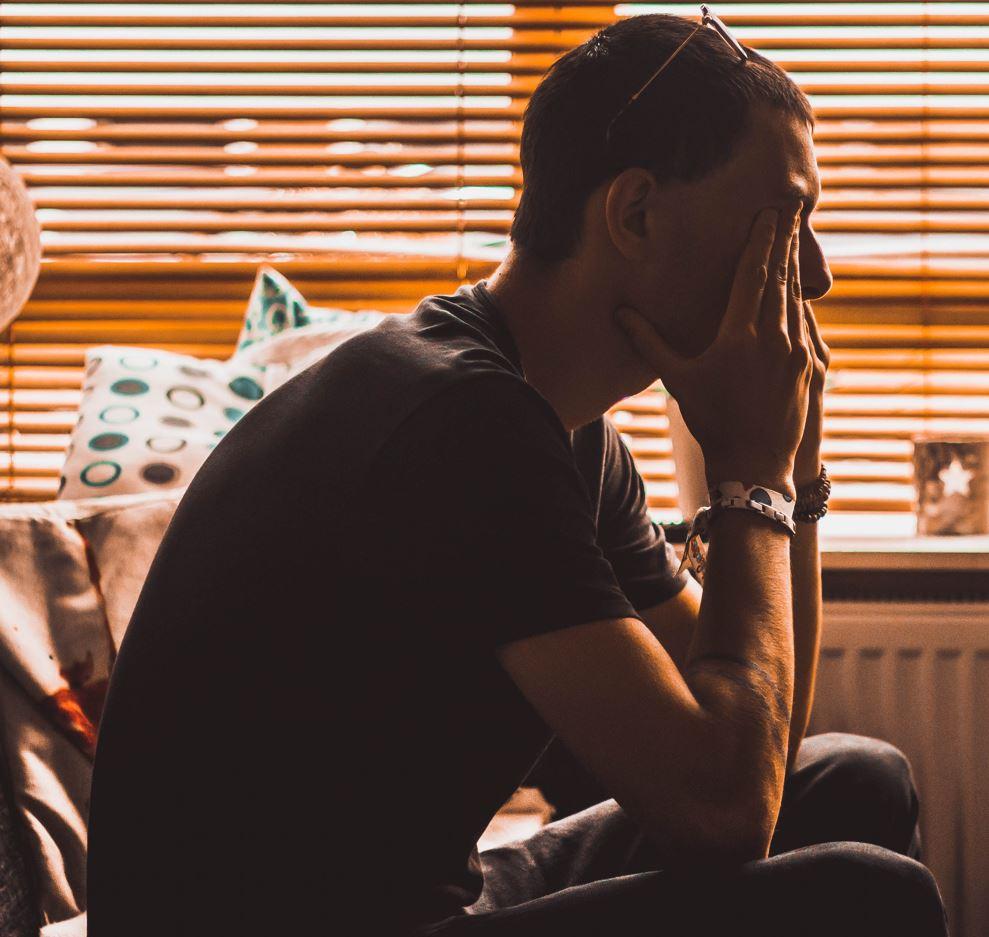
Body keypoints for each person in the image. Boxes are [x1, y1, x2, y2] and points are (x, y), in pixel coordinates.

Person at [87, 12, 949, 937]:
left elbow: (756, 748)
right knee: (871, 891)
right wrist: (750, 474)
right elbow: (722, 811)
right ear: (633, 213)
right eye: (784, 222)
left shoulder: (560, 430)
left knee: (857, 775)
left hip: (414, 900)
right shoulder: (459, 422)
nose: (813, 277)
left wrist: (792, 473)